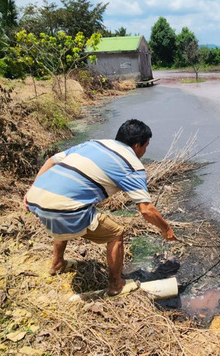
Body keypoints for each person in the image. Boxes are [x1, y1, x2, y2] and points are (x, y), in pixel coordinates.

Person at [24, 119, 176, 296]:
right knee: (116, 233)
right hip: (62, 209)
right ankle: (116, 285)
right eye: (146, 146)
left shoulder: (95, 143)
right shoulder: (133, 166)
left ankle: (58, 264)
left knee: (68, 203)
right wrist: (166, 229)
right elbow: (146, 210)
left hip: (36, 199)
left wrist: (32, 190)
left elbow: (52, 160)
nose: (144, 151)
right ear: (137, 145)